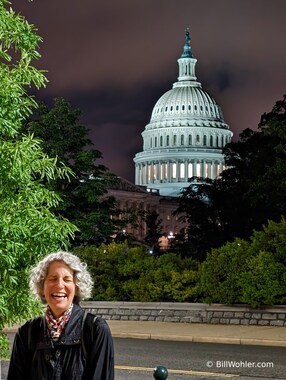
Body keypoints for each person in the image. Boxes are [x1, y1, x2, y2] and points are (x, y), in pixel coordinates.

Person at [7, 251, 114, 380]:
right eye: (52, 279)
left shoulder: (95, 330)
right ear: (42, 287)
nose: (59, 285)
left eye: (67, 279)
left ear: (77, 287)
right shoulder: (27, 333)